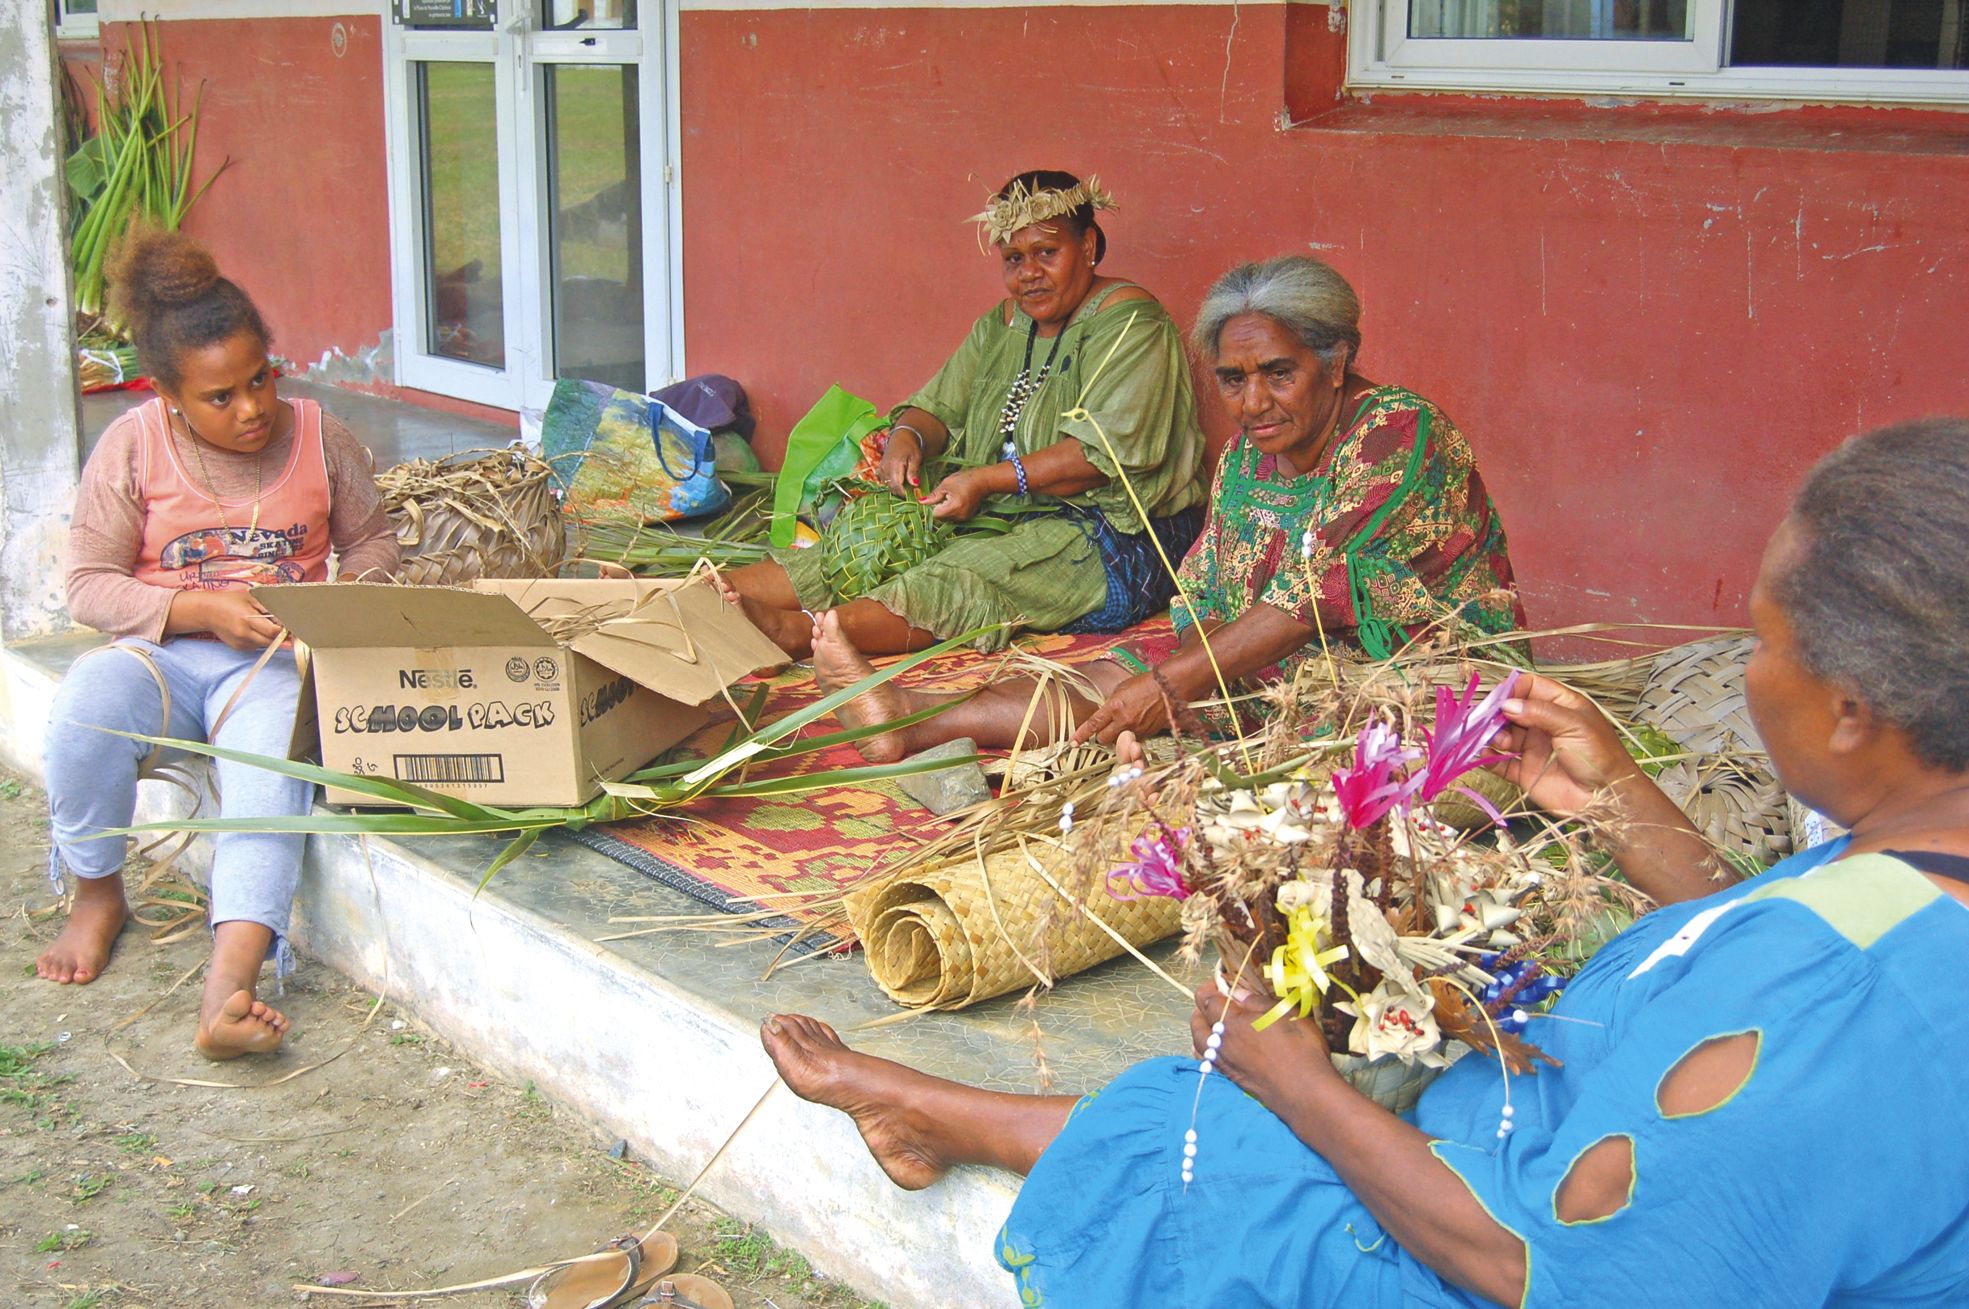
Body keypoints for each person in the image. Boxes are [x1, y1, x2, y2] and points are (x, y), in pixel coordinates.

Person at [763, 416, 1969, 1307]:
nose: (1744, 666)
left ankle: (936, 1111)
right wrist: (1625, 806)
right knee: (1239, 1088)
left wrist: (1302, 1085)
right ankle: (940, 1114)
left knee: (1212, 1141)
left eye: (1758, 637)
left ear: (1856, 709)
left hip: (1503, 1245)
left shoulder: (1851, 1008)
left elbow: (1541, 1269)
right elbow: (1776, 946)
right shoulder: (1913, 874)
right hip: (1559, 1152)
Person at [810, 255, 1523, 759]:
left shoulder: (1396, 432)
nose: (1251, 404)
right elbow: (1207, 590)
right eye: (1232, 380)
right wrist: (1164, 682)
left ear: (1334, 364)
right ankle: (910, 719)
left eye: (1278, 374)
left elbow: (1310, 595)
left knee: (1197, 699)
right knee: (1110, 675)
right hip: (1288, 662)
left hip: (1415, 674)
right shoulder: (1247, 456)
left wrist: (1171, 687)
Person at [37, 229, 399, 1060]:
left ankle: (227, 990)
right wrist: (201, 609)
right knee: (86, 707)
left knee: (270, 780)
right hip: (161, 659)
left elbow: (375, 541)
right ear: (167, 396)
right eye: (220, 396)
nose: (252, 408)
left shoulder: (318, 434)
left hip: (275, 669)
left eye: (261, 378)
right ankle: (96, 893)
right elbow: (89, 585)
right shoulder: (131, 445)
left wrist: (340, 603)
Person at [720, 170, 1206, 658]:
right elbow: (936, 408)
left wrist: (985, 481)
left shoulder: (1131, 324)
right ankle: (704, 597)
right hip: (1004, 512)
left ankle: (797, 635)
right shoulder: (1003, 324)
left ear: (1089, 245)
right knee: (868, 552)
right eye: (1014, 259)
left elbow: (1099, 456)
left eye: (1046, 253)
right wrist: (906, 436)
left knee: (960, 573)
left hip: (1112, 536)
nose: (1029, 274)